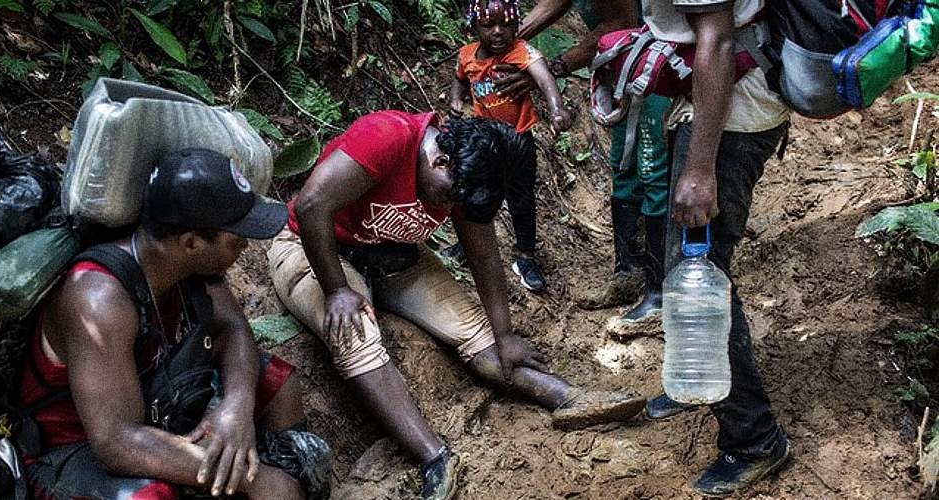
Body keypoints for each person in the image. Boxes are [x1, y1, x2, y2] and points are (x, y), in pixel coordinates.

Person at [268, 112, 645, 500]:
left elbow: (483, 256)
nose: (450, 206)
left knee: (473, 330)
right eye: (448, 197)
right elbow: (312, 204)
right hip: (313, 249)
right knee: (355, 337)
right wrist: (335, 290)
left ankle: (567, 397)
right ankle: (435, 458)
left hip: (393, 256)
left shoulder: (469, 175)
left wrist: (504, 333)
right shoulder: (386, 136)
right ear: (440, 160)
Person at [17, 148, 330, 499]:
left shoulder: (189, 265)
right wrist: (248, 479)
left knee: (278, 386)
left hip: (162, 401)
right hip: (79, 449)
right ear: (191, 242)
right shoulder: (99, 299)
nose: (246, 244)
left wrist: (236, 408)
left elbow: (232, 329)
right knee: (154, 497)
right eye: (236, 237)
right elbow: (116, 443)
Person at [638, 0, 792, 497]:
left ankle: (755, 440)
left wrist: (700, 168)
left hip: (731, 117)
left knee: (697, 267)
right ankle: (696, 377)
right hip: (713, 105)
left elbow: (719, 40)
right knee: (682, 263)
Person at [509, 0, 673, 335]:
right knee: (624, 164)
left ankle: (660, 292)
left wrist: (554, 65)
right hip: (627, 61)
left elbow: (618, 23)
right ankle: (629, 273)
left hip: (659, 62)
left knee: (651, 166)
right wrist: (509, 42)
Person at [447, 0, 573, 293]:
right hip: (484, 139)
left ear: (517, 24)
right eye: (488, 25)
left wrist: (557, 109)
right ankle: (468, 244)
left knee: (521, 199)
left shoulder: (520, 51)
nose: (498, 32)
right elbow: (459, 78)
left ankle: (526, 257)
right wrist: (456, 100)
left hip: (517, 140)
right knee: (474, 192)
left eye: (506, 24)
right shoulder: (467, 55)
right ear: (474, 27)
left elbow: (543, 77)